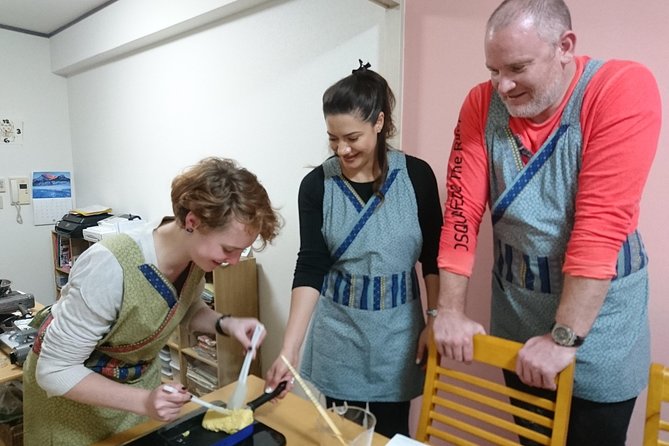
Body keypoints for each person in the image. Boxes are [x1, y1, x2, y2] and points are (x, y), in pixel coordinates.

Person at [432, 0, 661, 445]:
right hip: (518, 310)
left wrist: (563, 338)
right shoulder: (481, 103)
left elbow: (598, 228)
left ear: (565, 47)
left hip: (602, 321)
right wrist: (450, 309)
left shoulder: (619, 89)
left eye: (517, 67)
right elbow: (461, 210)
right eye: (493, 70)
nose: (503, 85)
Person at [23, 157, 281, 445]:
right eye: (228, 249)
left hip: (134, 391)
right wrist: (145, 402)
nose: (233, 262)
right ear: (193, 222)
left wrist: (225, 324)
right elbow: (55, 371)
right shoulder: (110, 266)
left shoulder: (195, 258)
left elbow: (180, 308)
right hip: (72, 402)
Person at [264, 61, 443, 438]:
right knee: (341, 435)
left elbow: (433, 256)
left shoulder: (416, 177)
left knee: (392, 434)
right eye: (333, 138)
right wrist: (289, 348)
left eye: (352, 137)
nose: (342, 149)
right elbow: (311, 264)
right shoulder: (317, 186)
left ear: (378, 123)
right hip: (338, 339)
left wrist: (434, 318)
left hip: (399, 339)